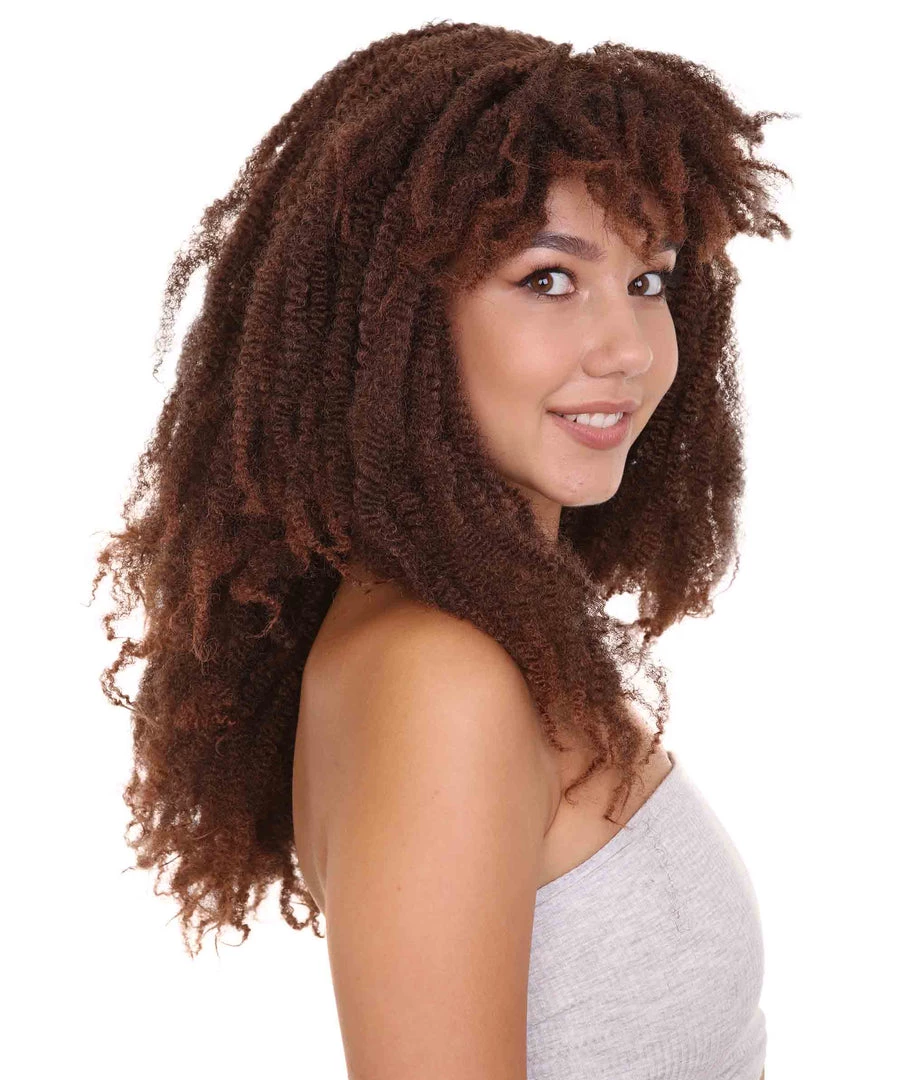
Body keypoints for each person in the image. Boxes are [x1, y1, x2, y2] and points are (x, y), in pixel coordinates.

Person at [91, 19, 793, 1080]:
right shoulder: (441, 677)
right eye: (547, 279)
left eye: (646, 281)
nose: (625, 349)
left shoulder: (488, 634)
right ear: (400, 320)